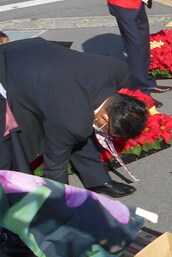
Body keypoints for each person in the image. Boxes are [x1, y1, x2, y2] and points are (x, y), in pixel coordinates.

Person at [0, 38, 148, 196]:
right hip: (7, 68)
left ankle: (97, 180)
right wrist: (60, 200)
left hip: (36, 52)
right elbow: (55, 165)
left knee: (82, 127)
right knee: (13, 143)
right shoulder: (70, 120)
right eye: (109, 131)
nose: (107, 135)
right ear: (104, 118)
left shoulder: (119, 70)